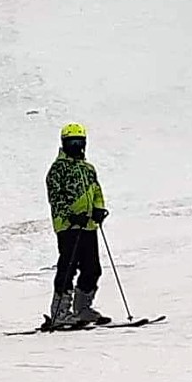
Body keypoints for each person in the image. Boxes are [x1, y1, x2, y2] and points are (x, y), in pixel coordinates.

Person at [43, 123, 110, 330]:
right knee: (68, 266)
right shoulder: (58, 169)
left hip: (88, 225)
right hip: (68, 226)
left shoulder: (87, 169)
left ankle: (82, 308)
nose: (76, 146)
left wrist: (99, 209)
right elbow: (55, 197)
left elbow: (96, 191)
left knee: (92, 268)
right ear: (64, 144)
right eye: (71, 142)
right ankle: (60, 312)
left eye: (79, 142)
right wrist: (71, 215)